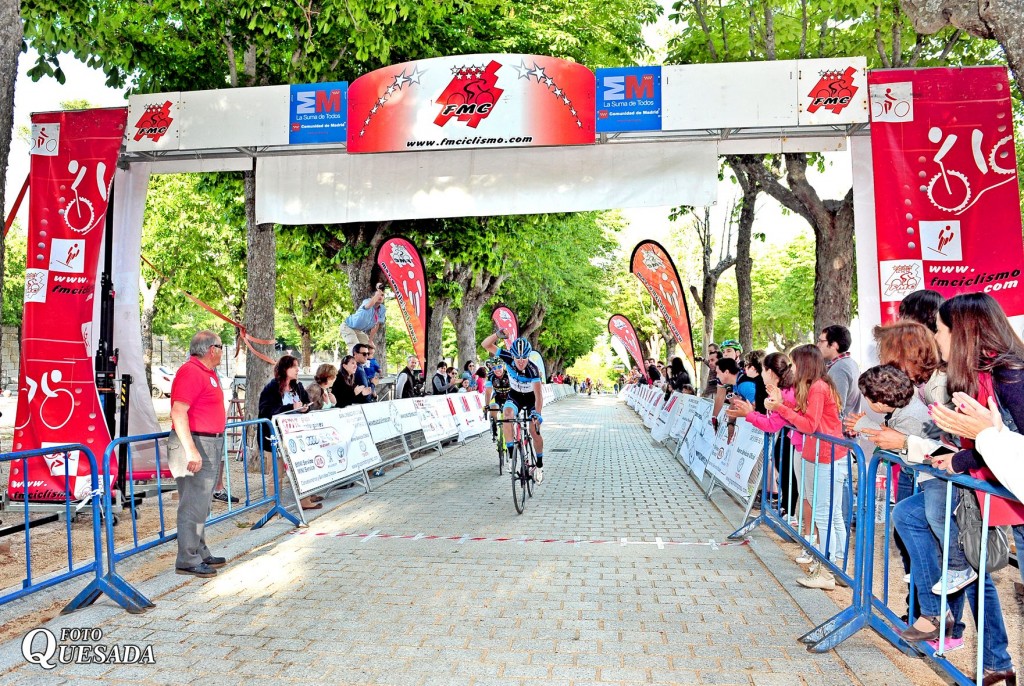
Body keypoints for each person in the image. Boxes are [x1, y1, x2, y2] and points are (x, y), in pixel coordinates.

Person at [894, 293, 1021, 683]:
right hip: (992, 492)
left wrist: (964, 456)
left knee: (973, 568)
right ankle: (948, 622)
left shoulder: (1010, 375)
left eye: (942, 330)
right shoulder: (980, 375)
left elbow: (1007, 440)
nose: (938, 338)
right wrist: (964, 453)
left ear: (964, 333)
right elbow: (986, 439)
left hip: (1007, 497)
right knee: (909, 515)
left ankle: (984, 652)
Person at [767, 344, 848, 590]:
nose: (791, 368)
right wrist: (784, 405)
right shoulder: (817, 387)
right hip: (821, 456)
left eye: (793, 363)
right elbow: (807, 417)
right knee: (828, 513)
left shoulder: (819, 388)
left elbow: (809, 425)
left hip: (828, 457)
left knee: (826, 514)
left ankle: (829, 569)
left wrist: (781, 407)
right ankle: (835, 566)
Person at [166, 330, 229, 578]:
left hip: (208, 442)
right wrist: (191, 450)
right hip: (195, 443)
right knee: (193, 504)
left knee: (201, 504)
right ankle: (187, 558)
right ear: (212, 349)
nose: (223, 351)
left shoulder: (208, 373)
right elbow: (178, 412)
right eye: (222, 346)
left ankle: (199, 551)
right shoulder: (191, 371)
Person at [728, 353, 803, 526]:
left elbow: (773, 424)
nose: (761, 374)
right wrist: (750, 414)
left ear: (770, 371)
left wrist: (749, 414)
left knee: (794, 480)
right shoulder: (776, 390)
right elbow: (772, 421)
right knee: (787, 474)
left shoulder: (786, 392)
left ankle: (790, 514)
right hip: (791, 441)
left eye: (763, 370)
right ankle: (787, 511)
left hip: (800, 444)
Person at [482, 332, 546, 483]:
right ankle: (511, 457)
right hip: (515, 395)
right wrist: (497, 335)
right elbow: (485, 344)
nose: (521, 361)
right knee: (507, 414)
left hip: (530, 399)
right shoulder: (506, 356)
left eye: (524, 357)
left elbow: (538, 396)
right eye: (517, 357)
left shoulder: (533, 370)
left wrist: (537, 414)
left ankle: (539, 465)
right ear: (513, 355)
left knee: (533, 430)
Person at [258, 355, 318, 511]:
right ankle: (274, 505)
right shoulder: (271, 388)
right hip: (274, 438)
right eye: (294, 366)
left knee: (301, 469)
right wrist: (290, 407)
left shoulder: (298, 386)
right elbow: (266, 412)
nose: (298, 369)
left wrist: (305, 408)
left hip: (296, 436)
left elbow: (305, 404)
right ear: (285, 369)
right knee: (276, 473)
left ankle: (305, 500)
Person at [818, 325, 865, 420]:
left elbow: (836, 409)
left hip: (839, 432)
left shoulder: (839, 368)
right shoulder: (850, 363)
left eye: (821, 341)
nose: (818, 345)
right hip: (847, 428)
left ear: (834, 345)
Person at [340, 284, 385, 350]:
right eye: (377, 295)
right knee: (356, 348)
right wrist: (377, 292)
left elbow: (376, 325)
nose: (380, 296)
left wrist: (370, 340)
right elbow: (369, 305)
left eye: (382, 295)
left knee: (368, 349)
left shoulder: (382, 309)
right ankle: (351, 359)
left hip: (358, 330)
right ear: (373, 296)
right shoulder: (367, 301)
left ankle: (366, 360)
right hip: (348, 327)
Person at [484, 357, 512, 441]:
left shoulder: (509, 374)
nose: (497, 370)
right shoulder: (490, 376)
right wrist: (487, 405)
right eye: (494, 368)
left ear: (503, 366)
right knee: (493, 409)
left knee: (510, 414)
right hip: (497, 397)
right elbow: (488, 392)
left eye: (499, 367)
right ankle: (494, 426)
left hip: (509, 397)